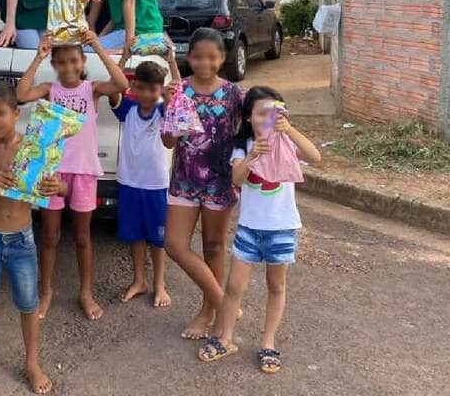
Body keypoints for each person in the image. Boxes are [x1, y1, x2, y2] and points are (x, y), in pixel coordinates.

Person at [198, 86, 321, 373]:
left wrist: (289, 130)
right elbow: (237, 178)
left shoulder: (287, 143)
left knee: (276, 286)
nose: (268, 118)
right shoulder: (243, 146)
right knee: (233, 287)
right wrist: (253, 156)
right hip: (250, 228)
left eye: (274, 111)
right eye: (261, 112)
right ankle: (226, 338)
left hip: (282, 227)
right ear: (249, 117)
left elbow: (315, 157)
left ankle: (268, 342)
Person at [16, 31, 128, 320]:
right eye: (61, 62)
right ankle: (46, 291)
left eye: (74, 61)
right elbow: (20, 94)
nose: (68, 67)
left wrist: (98, 47)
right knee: (50, 236)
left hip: (84, 171)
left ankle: (85, 292)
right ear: (54, 64)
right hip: (52, 172)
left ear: (82, 62)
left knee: (82, 237)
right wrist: (38, 55)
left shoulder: (92, 89)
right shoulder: (48, 89)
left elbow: (122, 84)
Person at [0, 82, 62, 394]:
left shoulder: (33, 148)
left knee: (29, 305)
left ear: (16, 114)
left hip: (22, 240)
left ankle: (32, 363)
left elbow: (59, 187)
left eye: (1, 114)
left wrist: (56, 187)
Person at [161, 28, 244, 340]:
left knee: (213, 246)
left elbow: (256, 125)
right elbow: (168, 141)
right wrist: (169, 106)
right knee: (174, 244)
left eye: (212, 56)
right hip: (184, 179)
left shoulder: (235, 94)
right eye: (197, 56)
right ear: (189, 57)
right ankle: (224, 303)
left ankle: (208, 311)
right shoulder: (179, 90)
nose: (204, 62)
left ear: (222, 58)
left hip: (219, 183)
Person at [110, 55, 179, 308]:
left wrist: (172, 62)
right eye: (141, 87)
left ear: (160, 89)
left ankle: (160, 284)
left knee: (158, 239)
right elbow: (114, 84)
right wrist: (125, 55)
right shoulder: (127, 108)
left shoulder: (163, 109)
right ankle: (139, 280)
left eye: (154, 88)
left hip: (155, 185)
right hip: (129, 182)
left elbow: (179, 92)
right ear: (134, 86)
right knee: (135, 235)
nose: (147, 93)